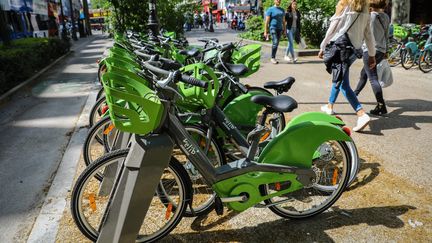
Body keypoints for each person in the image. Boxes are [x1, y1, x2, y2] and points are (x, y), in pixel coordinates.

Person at [318, 0, 376, 132]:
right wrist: (372, 54)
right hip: (354, 50)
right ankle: (329, 106)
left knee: (343, 83)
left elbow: (333, 28)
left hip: (341, 48)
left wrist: (322, 46)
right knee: (340, 75)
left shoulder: (345, 4)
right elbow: (368, 33)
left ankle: (361, 113)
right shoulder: (366, 7)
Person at [354, 0, 390, 115]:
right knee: (364, 73)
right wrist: (386, 50)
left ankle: (381, 106)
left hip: (371, 51)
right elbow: (386, 35)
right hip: (381, 50)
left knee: (373, 78)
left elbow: (367, 35)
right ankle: (354, 94)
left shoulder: (370, 17)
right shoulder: (386, 16)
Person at [264, 0, 286, 64]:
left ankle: (273, 57)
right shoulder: (270, 9)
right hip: (273, 28)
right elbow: (267, 21)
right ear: (274, 1)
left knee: (276, 43)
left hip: (280, 28)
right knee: (275, 42)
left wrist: (284, 30)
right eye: (277, 0)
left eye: (280, 0)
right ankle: (272, 58)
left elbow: (284, 21)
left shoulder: (282, 10)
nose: (278, 0)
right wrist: (265, 31)